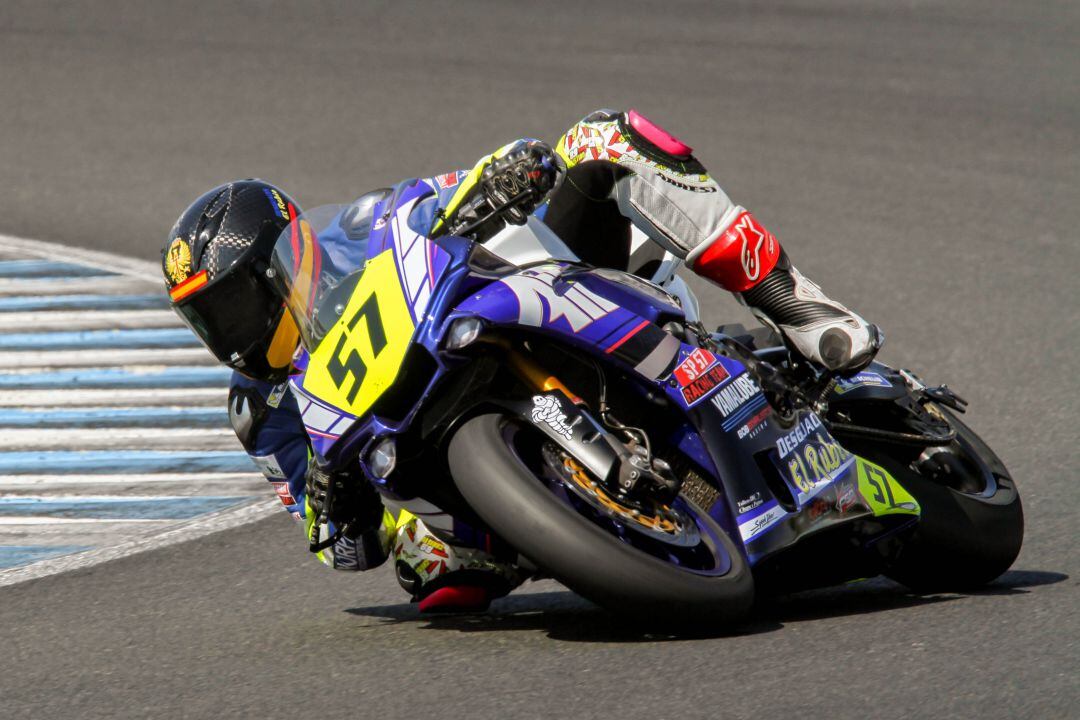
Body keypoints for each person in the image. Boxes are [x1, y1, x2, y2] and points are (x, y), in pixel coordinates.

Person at [162, 109, 880, 612]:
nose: (232, 332)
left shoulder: (356, 228)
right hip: (445, 487)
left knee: (604, 136)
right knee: (434, 575)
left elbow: (450, 191)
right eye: (208, 318)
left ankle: (798, 307)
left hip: (529, 306)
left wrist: (503, 176)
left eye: (235, 303)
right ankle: (589, 518)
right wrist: (335, 505)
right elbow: (342, 552)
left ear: (287, 255)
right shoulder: (261, 409)